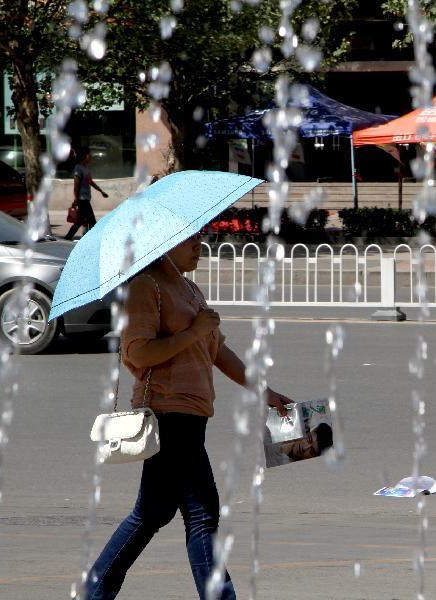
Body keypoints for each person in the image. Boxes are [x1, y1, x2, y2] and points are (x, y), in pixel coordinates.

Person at [85, 232, 292, 600]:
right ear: (165, 244)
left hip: (192, 414)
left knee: (153, 514)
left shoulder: (190, 290)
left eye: (200, 238)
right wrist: (193, 331)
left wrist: (265, 393)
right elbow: (140, 354)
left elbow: (218, 352)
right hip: (167, 413)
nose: (199, 247)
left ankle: (94, 591)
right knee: (200, 512)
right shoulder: (146, 288)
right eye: (190, 241)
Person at [65, 147, 109, 240]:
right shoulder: (78, 168)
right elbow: (76, 185)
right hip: (82, 199)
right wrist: (76, 199)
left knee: (80, 221)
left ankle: (69, 237)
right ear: (85, 156)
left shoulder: (86, 168)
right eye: (89, 155)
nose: (91, 156)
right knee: (91, 220)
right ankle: (95, 238)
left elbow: (91, 182)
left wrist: (101, 191)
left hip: (86, 198)